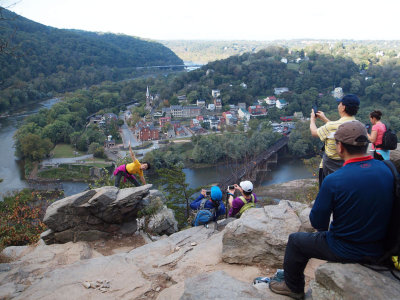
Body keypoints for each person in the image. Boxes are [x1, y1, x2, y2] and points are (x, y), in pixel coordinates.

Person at [268, 120, 394, 300]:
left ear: (340, 147)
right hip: (382, 247)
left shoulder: (335, 180)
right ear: (366, 144)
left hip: (347, 249)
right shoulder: (387, 169)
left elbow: (318, 222)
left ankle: (293, 287)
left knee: (296, 241)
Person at [310, 94, 359, 186]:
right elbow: (338, 128)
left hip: (329, 169)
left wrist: (312, 120)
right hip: (349, 169)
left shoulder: (331, 127)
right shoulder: (359, 126)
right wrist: (325, 119)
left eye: (340, 103)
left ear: (343, 107)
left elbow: (314, 132)